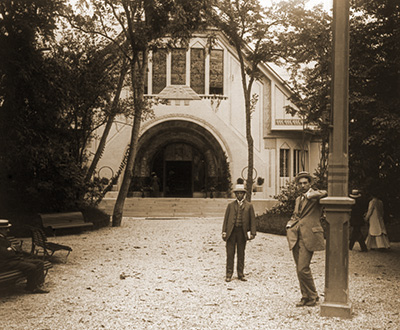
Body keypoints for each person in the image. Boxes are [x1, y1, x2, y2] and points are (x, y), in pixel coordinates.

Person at [286, 171, 327, 307]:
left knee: (303, 268)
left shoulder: (314, 196)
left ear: (310, 184)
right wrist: (289, 225)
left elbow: (325, 193)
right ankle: (305, 296)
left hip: (309, 235)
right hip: (296, 236)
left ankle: (313, 296)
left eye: (305, 183)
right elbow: (296, 215)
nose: (303, 185)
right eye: (300, 183)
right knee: (299, 268)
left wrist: (311, 194)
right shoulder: (298, 199)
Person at [0, 219, 49, 294]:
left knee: (39, 262)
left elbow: (10, 250)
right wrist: (12, 249)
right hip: (5, 263)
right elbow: (4, 253)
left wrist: (12, 249)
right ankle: (32, 288)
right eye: (6, 228)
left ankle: (39, 284)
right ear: (1, 229)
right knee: (31, 267)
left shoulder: (3, 237)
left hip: (13, 260)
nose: (8, 230)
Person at [222, 182, 256, 282]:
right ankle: (229, 274)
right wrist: (224, 231)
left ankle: (240, 274)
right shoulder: (230, 205)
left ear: (244, 194)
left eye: (241, 193)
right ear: (235, 194)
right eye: (237, 193)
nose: (239, 195)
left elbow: (252, 220)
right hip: (231, 232)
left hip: (242, 232)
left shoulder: (249, 206)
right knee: (230, 254)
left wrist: (253, 232)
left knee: (241, 253)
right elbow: (226, 219)